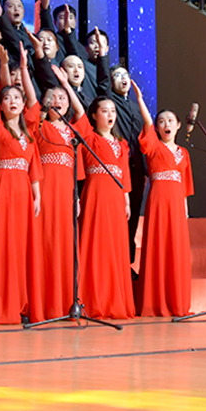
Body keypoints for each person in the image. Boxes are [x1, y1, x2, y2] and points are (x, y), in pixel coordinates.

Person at [60, 74, 135, 320]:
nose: (110, 115)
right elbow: (79, 114)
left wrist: (126, 199)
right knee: (96, 245)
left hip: (116, 198)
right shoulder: (89, 138)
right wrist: (67, 86)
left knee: (116, 247)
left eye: (113, 111)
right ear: (94, 115)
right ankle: (93, 301)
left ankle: (116, 301)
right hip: (95, 194)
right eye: (104, 111)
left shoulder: (122, 144)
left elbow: (124, 174)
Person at [0, 50, 44, 325]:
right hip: (2, 189)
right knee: (2, 244)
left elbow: (34, 167)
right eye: (7, 98)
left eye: (17, 98)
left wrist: (37, 195)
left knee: (21, 246)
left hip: (23, 192)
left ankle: (21, 302)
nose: (13, 102)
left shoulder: (29, 134)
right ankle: (0, 302)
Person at [132, 85, 193, 318]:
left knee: (176, 249)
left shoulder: (184, 153)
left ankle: (176, 301)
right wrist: (140, 99)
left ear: (178, 126)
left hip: (177, 204)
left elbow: (185, 185)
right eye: (161, 121)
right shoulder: (154, 146)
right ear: (157, 128)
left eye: (170, 121)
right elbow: (146, 122)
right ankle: (155, 302)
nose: (166, 124)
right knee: (158, 246)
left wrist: (185, 211)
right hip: (158, 201)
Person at [33, 76, 80, 321]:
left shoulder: (73, 131)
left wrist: (77, 197)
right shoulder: (39, 126)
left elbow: (81, 113)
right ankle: (42, 303)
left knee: (65, 242)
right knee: (45, 241)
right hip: (44, 189)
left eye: (62, 97)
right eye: (52, 97)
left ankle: (66, 302)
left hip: (66, 192)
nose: (57, 101)